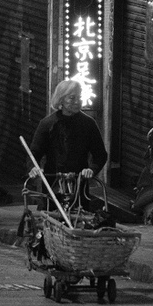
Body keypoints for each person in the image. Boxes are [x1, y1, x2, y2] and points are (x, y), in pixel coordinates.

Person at [29, 79, 109, 212]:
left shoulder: (88, 124)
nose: (77, 102)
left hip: (79, 183)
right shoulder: (47, 124)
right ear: (61, 100)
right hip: (53, 182)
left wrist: (91, 169)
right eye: (72, 98)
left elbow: (100, 154)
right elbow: (34, 153)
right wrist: (33, 168)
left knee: (79, 219)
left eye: (79, 97)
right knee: (52, 219)